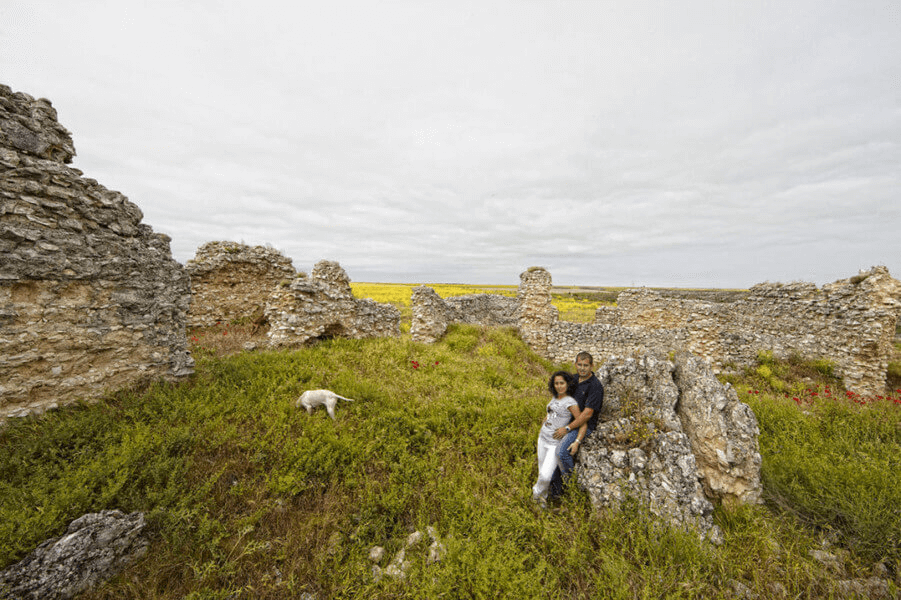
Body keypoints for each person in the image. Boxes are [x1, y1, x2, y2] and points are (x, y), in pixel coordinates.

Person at [549, 351, 604, 498]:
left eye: (586, 365)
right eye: (579, 364)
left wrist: (570, 432)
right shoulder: (572, 380)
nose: (582, 368)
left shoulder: (595, 386)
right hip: (566, 422)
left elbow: (586, 415)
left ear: (592, 366)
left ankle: (571, 488)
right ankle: (555, 495)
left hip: (582, 426)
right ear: (575, 364)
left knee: (561, 452)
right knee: (550, 453)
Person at [532, 371, 586, 505]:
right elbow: (550, 413)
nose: (559, 386)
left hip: (554, 443)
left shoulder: (570, 402)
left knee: (545, 475)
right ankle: (541, 502)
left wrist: (577, 441)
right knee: (541, 472)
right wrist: (545, 422)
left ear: (567, 384)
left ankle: (535, 496)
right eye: (556, 383)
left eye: (562, 383)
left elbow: (582, 423)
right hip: (542, 438)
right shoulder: (555, 397)